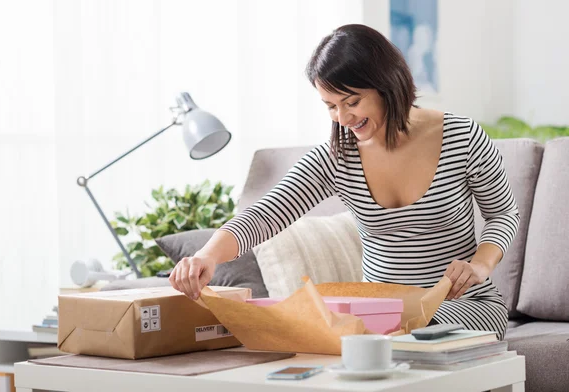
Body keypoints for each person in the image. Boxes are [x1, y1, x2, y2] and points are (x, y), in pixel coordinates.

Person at [169, 24, 519, 340]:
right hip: (381, 314)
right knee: (338, 328)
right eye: (330, 106)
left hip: (463, 307)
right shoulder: (339, 157)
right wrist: (207, 257)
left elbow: (504, 213)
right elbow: (266, 214)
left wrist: (479, 265)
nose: (343, 117)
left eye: (352, 101)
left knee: (404, 329)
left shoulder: (461, 136)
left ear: (387, 84)